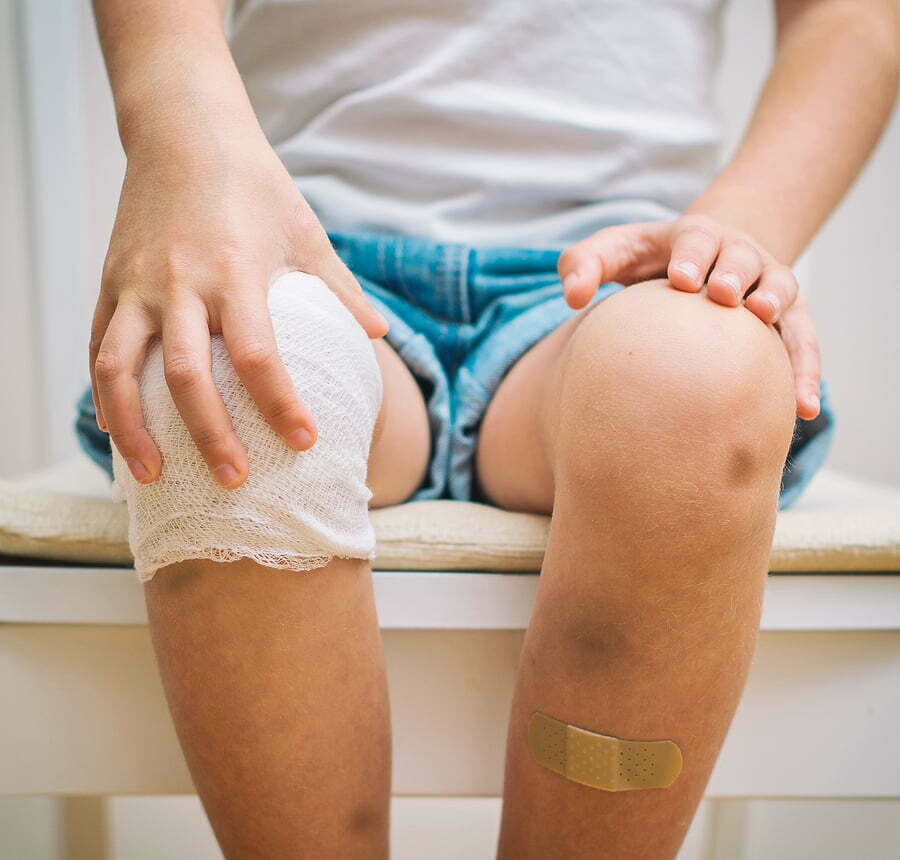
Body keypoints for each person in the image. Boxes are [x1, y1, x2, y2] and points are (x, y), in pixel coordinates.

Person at [74, 0, 898, 856]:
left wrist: (734, 236)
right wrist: (182, 146)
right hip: (294, 244)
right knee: (226, 374)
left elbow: (848, 17)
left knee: (696, 378)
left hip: (626, 277)